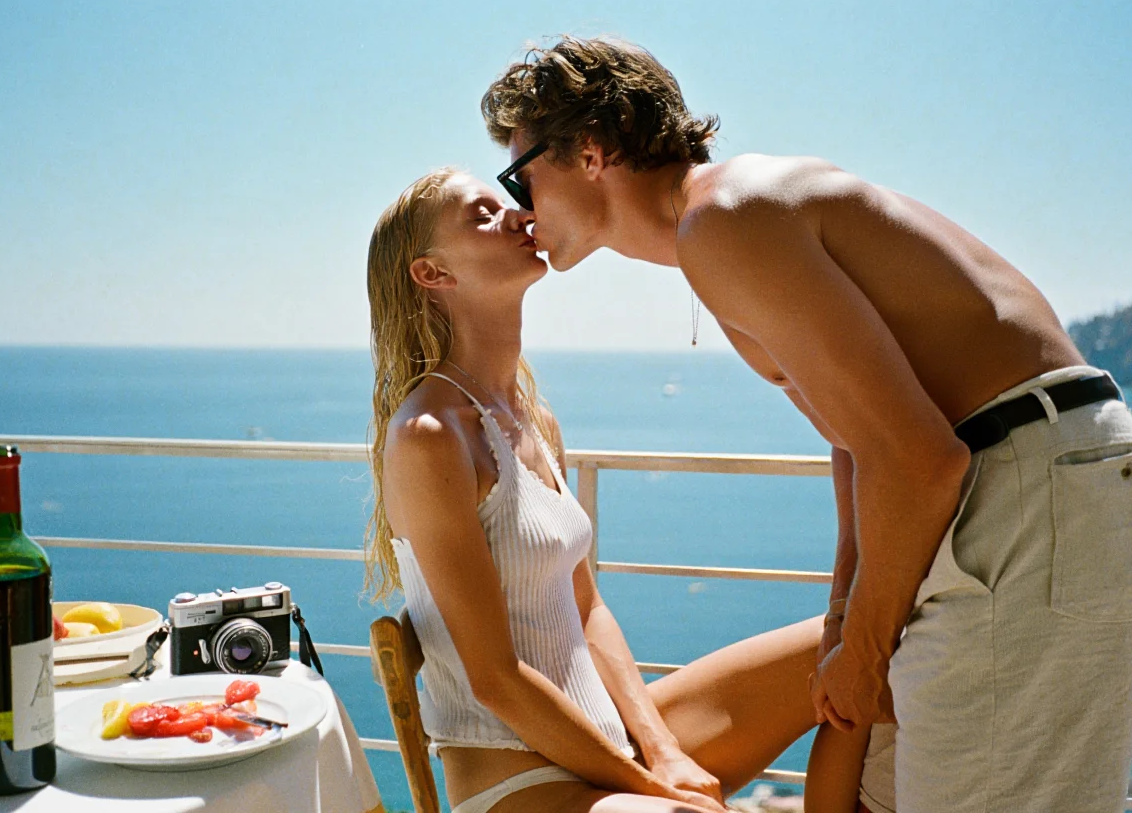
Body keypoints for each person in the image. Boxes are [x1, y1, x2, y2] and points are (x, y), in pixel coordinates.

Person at [479, 36, 1132, 813]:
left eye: (521, 174)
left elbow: (917, 457)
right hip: (1031, 487)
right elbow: (855, 444)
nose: (519, 206)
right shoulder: (719, 228)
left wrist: (867, 651)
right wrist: (847, 624)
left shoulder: (729, 220)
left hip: (1027, 492)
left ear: (592, 149)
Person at [363, 167, 877, 813]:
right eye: (482, 215)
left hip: (606, 745)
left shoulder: (530, 416)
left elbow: (587, 609)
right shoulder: (429, 436)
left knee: (861, 647)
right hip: (520, 786)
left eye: (512, 205)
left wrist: (661, 750)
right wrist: (656, 786)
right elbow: (495, 681)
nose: (521, 217)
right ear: (431, 274)